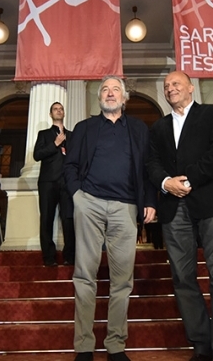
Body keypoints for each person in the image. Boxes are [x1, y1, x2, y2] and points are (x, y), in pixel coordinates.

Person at [147, 71, 213, 361]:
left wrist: (188, 180)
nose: (170, 88)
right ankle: (201, 344)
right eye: (166, 86)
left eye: (176, 83)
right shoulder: (158, 127)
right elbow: (151, 162)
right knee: (182, 277)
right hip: (173, 209)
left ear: (191, 88)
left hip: (211, 203)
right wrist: (166, 183)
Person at [63, 76, 156, 361]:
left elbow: (148, 166)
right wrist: (77, 195)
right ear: (99, 97)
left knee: (122, 280)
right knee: (84, 275)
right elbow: (71, 165)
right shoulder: (85, 128)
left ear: (124, 98)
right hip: (89, 203)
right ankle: (84, 347)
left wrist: (150, 201)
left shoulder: (139, 129)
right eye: (105, 89)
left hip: (125, 207)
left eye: (116, 89)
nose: (110, 93)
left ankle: (115, 345)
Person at [33, 102, 75, 266]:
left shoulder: (72, 135)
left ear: (64, 113)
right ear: (51, 114)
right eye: (55, 109)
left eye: (61, 109)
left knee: (69, 220)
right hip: (48, 182)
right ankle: (49, 257)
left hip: (67, 183)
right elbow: (37, 155)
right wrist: (55, 144)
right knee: (46, 220)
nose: (59, 111)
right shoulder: (43, 134)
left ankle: (69, 256)